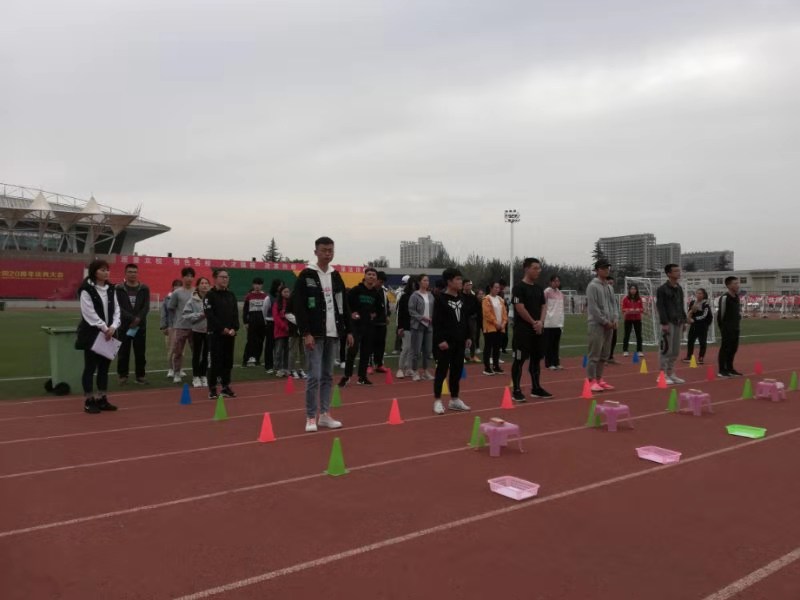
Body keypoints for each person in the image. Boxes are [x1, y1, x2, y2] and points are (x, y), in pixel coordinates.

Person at [293, 236, 353, 432]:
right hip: (315, 334)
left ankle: (325, 414)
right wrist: (306, 332)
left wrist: (348, 330)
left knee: (327, 375)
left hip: (333, 333)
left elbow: (343, 304)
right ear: (316, 252)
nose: (328, 253)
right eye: (324, 250)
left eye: (331, 250)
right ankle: (311, 416)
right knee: (314, 376)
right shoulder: (307, 275)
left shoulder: (336, 276)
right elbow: (299, 306)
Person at [75, 259, 121, 414]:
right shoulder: (86, 289)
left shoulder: (111, 289)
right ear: (94, 272)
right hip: (92, 333)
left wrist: (113, 326)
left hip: (110, 334)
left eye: (107, 269)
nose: (106, 272)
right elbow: (89, 313)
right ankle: (89, 400)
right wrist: (104, 327)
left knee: (104, 368)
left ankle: (102, 398)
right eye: (102, 270)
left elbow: (117, 310)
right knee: (90, 367)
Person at [510, 258, 553, 401]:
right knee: (519, 360)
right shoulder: (518, 288)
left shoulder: (539, 288)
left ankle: (536, 388)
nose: (538, 271)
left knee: (536, 359)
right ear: (526, 269)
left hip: (538, 330)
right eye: (535, 268)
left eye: (539, 268)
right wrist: (533, 322)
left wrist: (541, 322)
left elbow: (543, 306)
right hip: (523, 331)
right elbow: (520, 308)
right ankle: (516, 390)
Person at [431, 268, 472, 414]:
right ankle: (437, 400)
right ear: (449, 282)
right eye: (458, 279)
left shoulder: (462, 298)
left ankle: (454, 399)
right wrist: (440, 340)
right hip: (445, 343)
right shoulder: (440, 299)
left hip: (460, 342)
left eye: (461, 279)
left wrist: (468, 336)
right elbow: (436, 322)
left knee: (456, 371)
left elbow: (466, 319)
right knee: (441, 371)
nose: (461, 282)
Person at [203, 269, 239, 398]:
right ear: (215, 278)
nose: (225, 279)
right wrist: (222, 328)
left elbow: (235, 313)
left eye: (227, 277)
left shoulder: (231, 295)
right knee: (214, 361)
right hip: (215, 334)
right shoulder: (210, 295)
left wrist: (234, 328)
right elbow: (209, 315)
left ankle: (225, 386)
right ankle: (212, 388)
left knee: (227, 361)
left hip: (229, 334)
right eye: (222, 277)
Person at [586, 259, 618, 393]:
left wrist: (615, 319)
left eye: (608, 268)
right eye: (604, 268)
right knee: (594, 354)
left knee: (604, 354)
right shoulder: (592, 286)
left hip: (609, 325)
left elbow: (614, 305)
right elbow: (593, 308)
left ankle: (599, 379)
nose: (606, 270)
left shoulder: (609, 287)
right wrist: (605, 321)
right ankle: (591, 380)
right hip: (597, 324)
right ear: (597, 270)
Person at [116, 263, 150, 385]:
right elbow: (118, 307)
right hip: (124, 326)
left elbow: (146, 306)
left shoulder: (144, 288)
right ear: (125, 274)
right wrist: (132, 318)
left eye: (135, 272)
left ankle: (140, 375)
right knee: (123, 352)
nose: (132, 274)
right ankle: (123, 375)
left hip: (140, 326)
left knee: (140, 352)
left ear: (138, 273)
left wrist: (138, 319)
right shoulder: (119, 289)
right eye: (130, 272)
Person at [656, 264, 687, 385]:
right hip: (668, 322)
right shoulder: (662, 289)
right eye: (675, 271)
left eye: (679, 270)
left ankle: (671, 373)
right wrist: (664, 323)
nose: (678, 273)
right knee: (666, 349)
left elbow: (681, 305)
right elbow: (661, 307)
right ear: (669, 274)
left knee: (675, 350)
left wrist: (684, 320)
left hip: (678, 321)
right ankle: (662, 374)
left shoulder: (679, 288)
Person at [168, 267, 196, 384]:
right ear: (182, 277)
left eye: (191, 276)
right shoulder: (177, 293)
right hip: (180, 326)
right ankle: (177, 373)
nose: (189, 278)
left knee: (197, 352)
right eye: (187, 276)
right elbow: (171, 308)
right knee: (178, 351)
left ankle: (197, 374)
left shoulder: (197, 292)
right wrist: (174, 322)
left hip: (195, 327)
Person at [182, 277, 211, 387]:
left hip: (209, 331)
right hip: (197, 331)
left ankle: (203, 375)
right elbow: (185, 315)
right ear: (198, 286)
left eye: (206, 283)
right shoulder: (192, 300)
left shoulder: (212, 298)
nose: (204, 285)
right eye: (202, 283)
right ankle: (196, 376)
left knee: (206, 354)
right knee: (197, 354)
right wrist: (200, 315)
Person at [408, 274, 435, 381]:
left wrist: (432, 318)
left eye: (428, 280)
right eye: (424, 280)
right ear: (419, 282)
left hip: (429, 326)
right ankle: (414, 371)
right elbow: (411, 311)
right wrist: (422, 317)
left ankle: (425, 371)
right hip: (417, 326)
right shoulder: (414, 295)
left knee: (428, 351)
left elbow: (434, 309)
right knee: (416, 351)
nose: (426, 282)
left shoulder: (431, 295)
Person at [717, 277, 743, 377]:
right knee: (725, 348)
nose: (737, 285)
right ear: (728, 285)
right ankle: (722, 370)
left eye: (738, 283)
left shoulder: (736, 297)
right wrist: (723, 327)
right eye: (735, 283)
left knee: (733, 349)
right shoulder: (724, 297)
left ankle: (730, 368)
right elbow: (721, 314)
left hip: (736, 327)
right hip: (727, 328)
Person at [482, 281, 508, 376]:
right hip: (490, 328)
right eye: (495, 287)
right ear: (491, 288)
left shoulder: (500, 299)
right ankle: (487, 367)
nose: (497, 289)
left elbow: (504, 313)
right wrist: (496, 323)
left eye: (498, 288)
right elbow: (487, 313)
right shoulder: (486, 299)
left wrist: (503, 323)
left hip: (500, 327)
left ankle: (496, 366)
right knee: (488, 347)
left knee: (497, 347)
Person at [395, 275, 418, 379]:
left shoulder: (419, 296)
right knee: (406, 347)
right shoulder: (404, 296)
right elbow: (401, 313)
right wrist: (400, 327)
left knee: (413, 349)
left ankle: (409, 368)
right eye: (413, 283)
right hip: (406, 326)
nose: (415, 285)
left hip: (416, 326)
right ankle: (400, 369)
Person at [242, 277, 268, 367]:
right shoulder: (249, 296)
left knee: (260, 341)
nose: (257, 286)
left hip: (263, 322)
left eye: (259, 284)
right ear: (253, 285)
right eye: (256, 284)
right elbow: (245, 310)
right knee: (250, 341)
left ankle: (257, 359)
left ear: (262, 285)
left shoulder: (265, 296)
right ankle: (246, 359)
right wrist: (245, 322)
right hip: (252, 321)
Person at [684, 288, 712, 365]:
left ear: (704, 295)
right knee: (690, 340)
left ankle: (701, 357)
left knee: (702, 341)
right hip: (694, 325)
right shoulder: (693, 302)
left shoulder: (706, 304)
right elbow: (689, 312)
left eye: (700, 293)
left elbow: (704, 315)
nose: (698, 295)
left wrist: (694, 319)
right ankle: (689, 356)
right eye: (697, 293)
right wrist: (689, 317)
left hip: (703, 325)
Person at [370, 271, 391, 373]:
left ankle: (379, 364)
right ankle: (369, 365)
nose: (381, 284)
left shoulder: (384, 291)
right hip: (371, 322)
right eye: (380, 281)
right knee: (370, 344)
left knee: (381, 344)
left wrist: (387, 315)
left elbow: (386, 305)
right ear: (376, 279)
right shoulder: (370, 290)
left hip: (382, 322)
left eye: (382, 282)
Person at [160, 279, 181, 378]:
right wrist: (164, 326)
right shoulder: (167, 298)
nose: (177, 287)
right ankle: (171, 369)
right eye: (176, 285)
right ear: (173, 287)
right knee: (171, 349)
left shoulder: (183, 298)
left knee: (181, 351)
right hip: (171, 326)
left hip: (181, 326)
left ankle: (179, 369)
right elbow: (163, 313)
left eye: (179, 285)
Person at [543, 274, 565, 370]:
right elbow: (543, 306)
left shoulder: (560, 294)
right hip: (548, 322)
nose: (557, 283)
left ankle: (556, 362)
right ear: (551, 282)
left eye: (558, 281)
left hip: (558, 323)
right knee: (549, 344)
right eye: (555, 281)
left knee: (556, 344)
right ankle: (549, 363)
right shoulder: (546, 292)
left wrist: (561, 321)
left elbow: (561, 309)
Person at [261, 279, 283, 374]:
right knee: (270, 345)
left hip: (280, 324)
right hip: (271, 323)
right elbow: (264, 311)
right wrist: (267, 322)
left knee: (280, 345)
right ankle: (268, 366)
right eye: (280, 285)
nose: (281, 287)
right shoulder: (268, 298)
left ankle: (278, 365)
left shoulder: (282, 297)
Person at [272, 285, 292, 377]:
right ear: (281, 293)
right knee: (279, 350)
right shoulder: (277, 304)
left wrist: (290, 327)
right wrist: (284, 326)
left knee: (287, 350)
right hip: (280, 331)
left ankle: (285, 368)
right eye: (285, 292)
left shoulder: (291, 303)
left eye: (288, 292)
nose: (287, 293)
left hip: (289, 331)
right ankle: (278, 368)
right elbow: (276, 318)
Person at [622, 284, 644, 357]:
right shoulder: (625, 299)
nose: (633, 290)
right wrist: (629, 310)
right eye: (631, 289)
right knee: (627, 335)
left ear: (636, 290)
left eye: (634, 289)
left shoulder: (639, 299)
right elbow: (623, 309)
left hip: (637, 319)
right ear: (629, 290)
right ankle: (625, 350)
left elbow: (642, 309)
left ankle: (639, 350)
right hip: (628, 319)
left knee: (639, 335)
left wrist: (638, 310)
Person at [462, 279, 481, 363]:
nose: (469, 287)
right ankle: (462, 356)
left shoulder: (473, 297)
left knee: (473, 337)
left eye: (470, 285)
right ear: (463, 286)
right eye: (467, 285)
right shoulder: (460, 296)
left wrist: (475, 315)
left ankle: (473, 356)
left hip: (472, 320)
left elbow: (478, 308)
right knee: (462, 337)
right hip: (462, 319)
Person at [605, 276, 620, 364]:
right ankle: (603, 358)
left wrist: (616, 319)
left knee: (614, 338)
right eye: (609, 283)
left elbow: (615, 308)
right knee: (605, 340)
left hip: (613, 320)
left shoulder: (614, 296)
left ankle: (610, 356)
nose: (610, 285)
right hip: (605, 320)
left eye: (612, 283)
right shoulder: (603, 294)